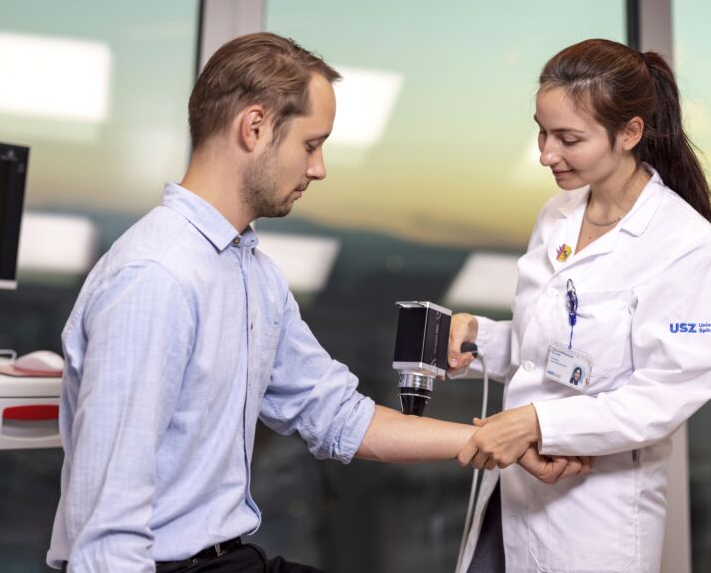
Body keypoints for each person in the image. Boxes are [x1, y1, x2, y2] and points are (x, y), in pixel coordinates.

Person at [46, 33, 583, 572]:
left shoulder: (251, 274)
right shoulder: (156, 278)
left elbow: (336, 414)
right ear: (254, 128)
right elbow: (107, 535)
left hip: (226, 561)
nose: (319, 168)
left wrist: (489, 438)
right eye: (310, 144)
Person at [448, 38, 711, 573]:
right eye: (542, 133)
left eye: (568, 138)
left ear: (629, 133)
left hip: (594, 518)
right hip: (512, 492)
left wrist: (536, 422)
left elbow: (660, 397)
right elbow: (540, 350)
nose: (546, 154)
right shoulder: (557, 214)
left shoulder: (685, 243)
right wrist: (477, 336)